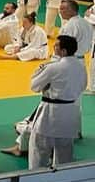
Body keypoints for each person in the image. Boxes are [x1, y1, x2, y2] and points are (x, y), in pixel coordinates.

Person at [26, 35, 86, 169]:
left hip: (50, 113)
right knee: (65, 155)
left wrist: (46, 82)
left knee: (39, 151)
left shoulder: (53, 67)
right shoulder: (81, 66)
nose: (54, 47)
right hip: (70, 113)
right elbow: (82, 86)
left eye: (56, 46)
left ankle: (35, 179)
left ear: (63, 51)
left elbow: (34, 86)